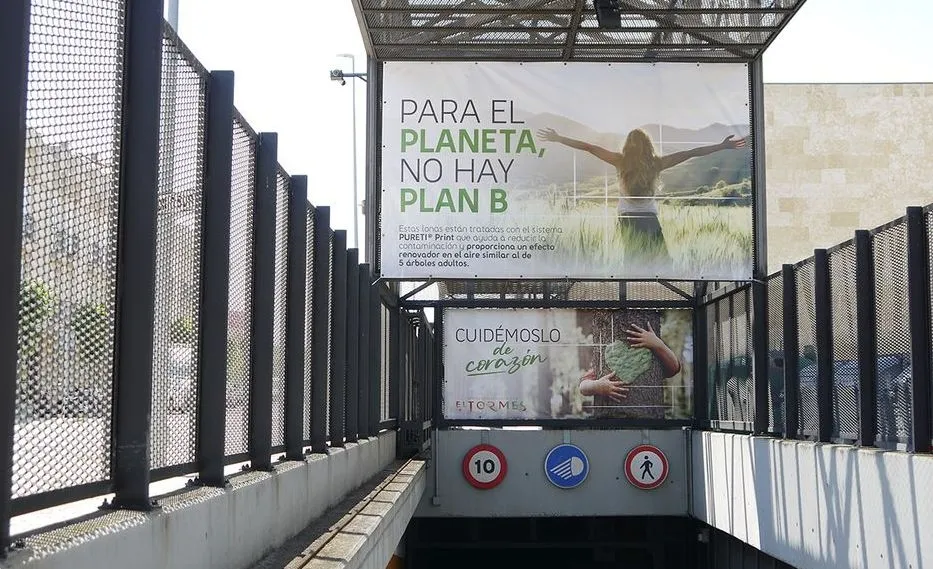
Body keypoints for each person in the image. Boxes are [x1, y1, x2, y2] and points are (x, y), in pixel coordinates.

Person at [537, 127, 747, 266]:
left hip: (627, 217)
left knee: (633, 259)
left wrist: (559, 138)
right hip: (649, 217)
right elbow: (692, 152)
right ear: (648, 145)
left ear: (628, 145)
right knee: (662, 260)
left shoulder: (620, 160)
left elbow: (589, 147)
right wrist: (722, 146)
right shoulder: (657, 163)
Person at [578, 318, 683, 417]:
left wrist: (658, 345)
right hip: (610, 419)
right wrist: (597, 386)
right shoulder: (602, 364)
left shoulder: (654, 358)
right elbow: (583, 387)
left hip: (649, 418)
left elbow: (674, 368)